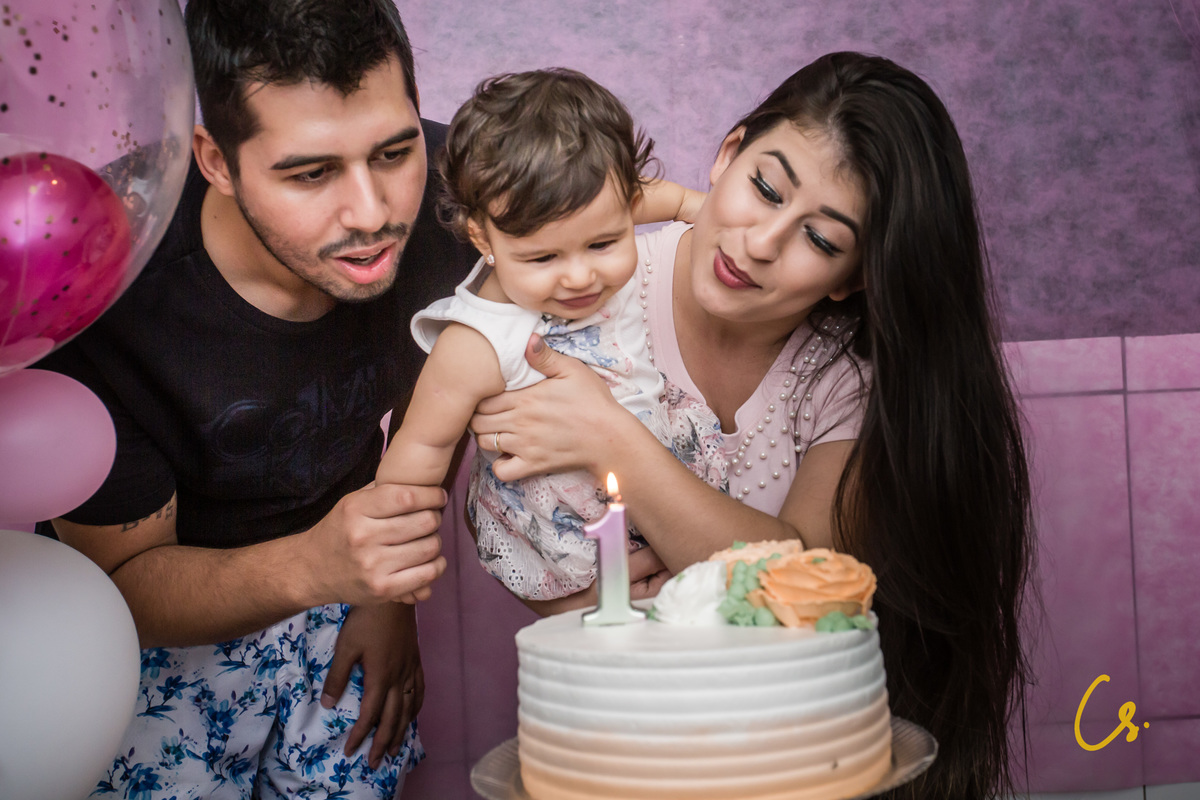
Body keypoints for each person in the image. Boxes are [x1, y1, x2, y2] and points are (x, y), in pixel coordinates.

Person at [469, 52, 1034, 800]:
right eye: (764, 189)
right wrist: (571, 610)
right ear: (728, 153)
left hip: (787, 764)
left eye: (821, 240)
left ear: (857, 275)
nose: (761, 242)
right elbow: (486, 482)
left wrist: (611, 439)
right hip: (622, 753)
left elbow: (801, 583)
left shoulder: (847, 381)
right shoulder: (586, 280)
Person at [33, 0, 475, 797]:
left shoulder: (457, 197)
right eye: (310, 173)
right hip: (160, 625)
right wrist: (322, 566)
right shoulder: (100, 281)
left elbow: (444, 385)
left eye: (393, 151)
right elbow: (124, 584)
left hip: (349, 591)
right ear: (215, 159)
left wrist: (388, 595)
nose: (374, 214)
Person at [376, 68, 724, 601]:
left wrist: (696, 209)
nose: (581, 277)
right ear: (481, 238)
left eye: (603, 244)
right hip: (564, 528)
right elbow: (422, 446)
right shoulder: (478, 341)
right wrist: (397, 551)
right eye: (543, 258)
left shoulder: (597, 213)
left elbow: (653, 198)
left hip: (652, 468)